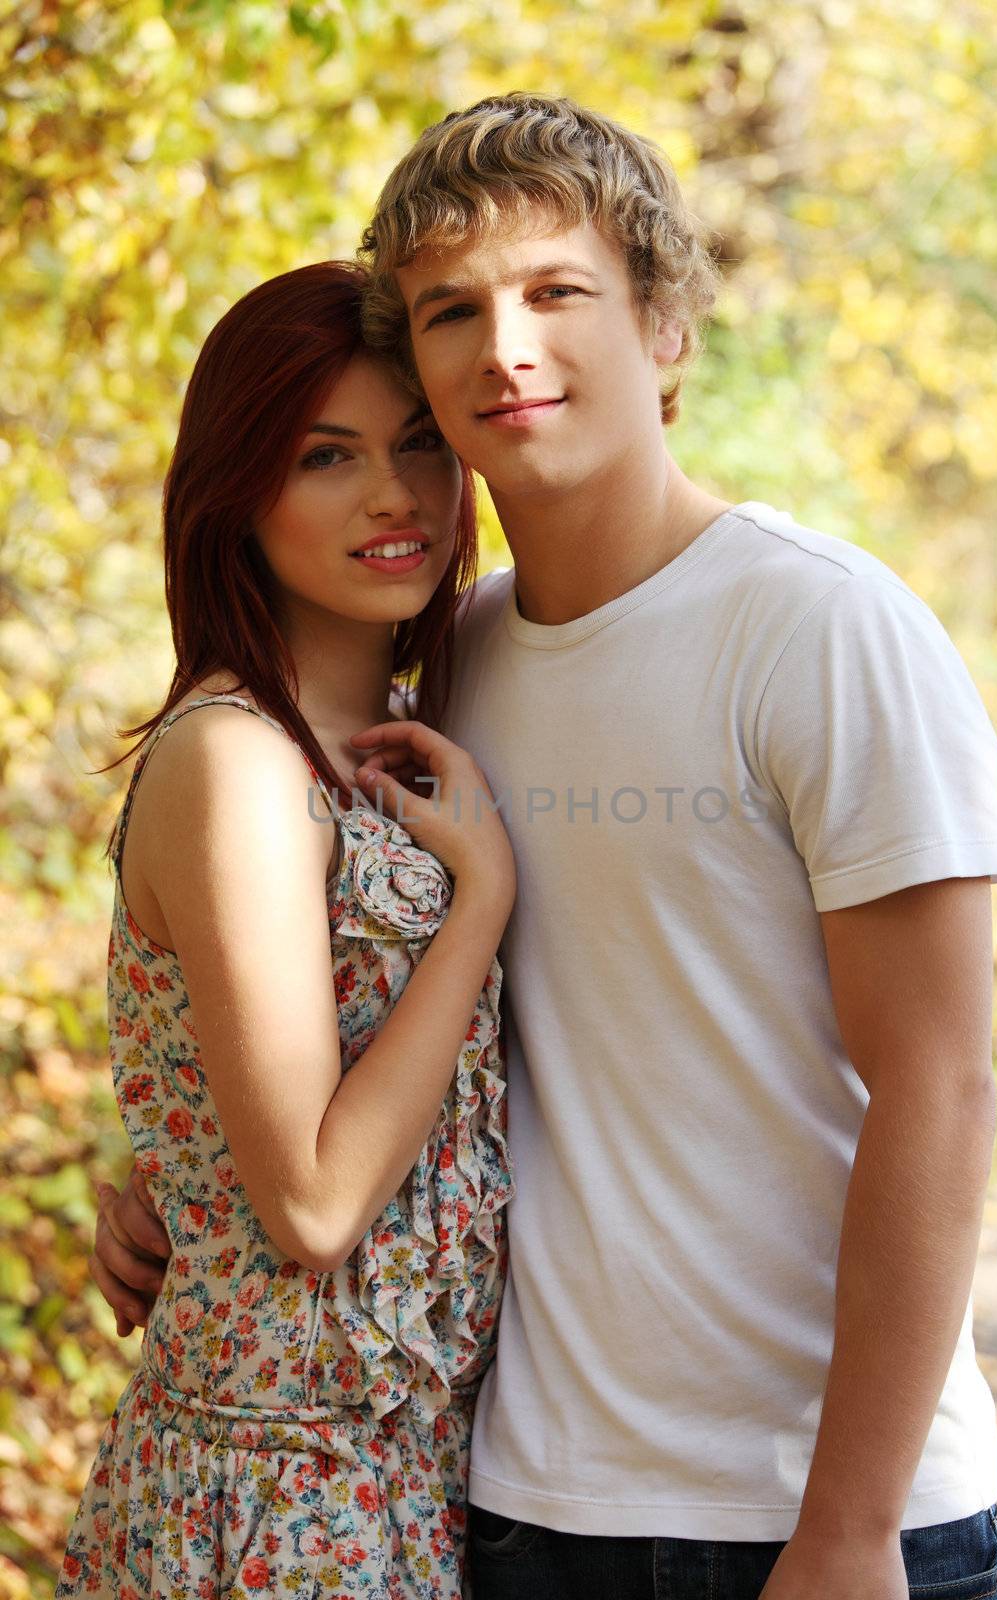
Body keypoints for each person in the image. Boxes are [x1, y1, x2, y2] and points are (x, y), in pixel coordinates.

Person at [93, 96, 997, 1600]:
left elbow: (945, 1081)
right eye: (453, 311)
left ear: (663, 331)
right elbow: (320, 1030)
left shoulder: (820, 628)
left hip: (816, 1511)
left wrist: (848, 1527)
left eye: (557, 293)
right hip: (519, 1497)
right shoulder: (448, 667)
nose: (502, 345)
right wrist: (172, 1190)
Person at [59, 260, 515, 1600]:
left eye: (422, 444)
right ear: (239, 491)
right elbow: (312, 1205)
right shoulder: (237, 760)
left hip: (411, 1473)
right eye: (329, 456)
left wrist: (164, 1180)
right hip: (279, 1499)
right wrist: (478, 904)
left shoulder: (403, 731)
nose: (396, 495)